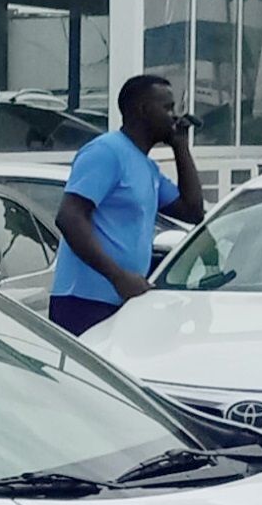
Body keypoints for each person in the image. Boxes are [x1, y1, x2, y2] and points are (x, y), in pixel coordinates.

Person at [50, 74, 206, 338]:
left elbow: (192, 212)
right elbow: (69, 217)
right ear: (143, 110)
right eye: (167, 107)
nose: (174, 116)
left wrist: (180, 146)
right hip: (83, 301)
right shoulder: (106, 152)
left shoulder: (147, 167)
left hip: (122, 299)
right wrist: (118, 276)